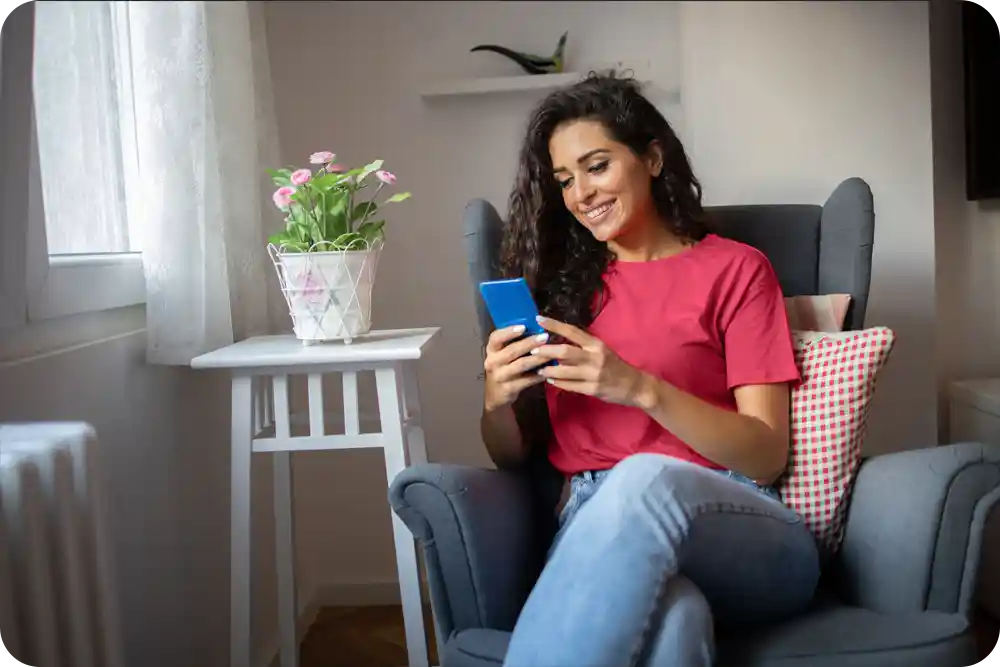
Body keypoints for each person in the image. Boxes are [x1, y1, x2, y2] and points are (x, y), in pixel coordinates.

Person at [480, 73, 821, 667]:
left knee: (645, 477)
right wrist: (497, 399)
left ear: (653, 158)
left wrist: (638, 388)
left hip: (740, 526)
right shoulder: (557, 289)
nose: (581, 193)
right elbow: (508, 454)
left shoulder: (736, 270)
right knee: (676, 621)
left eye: (597, 166)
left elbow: (766, 453)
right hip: (594, 524)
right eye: (565, 180)